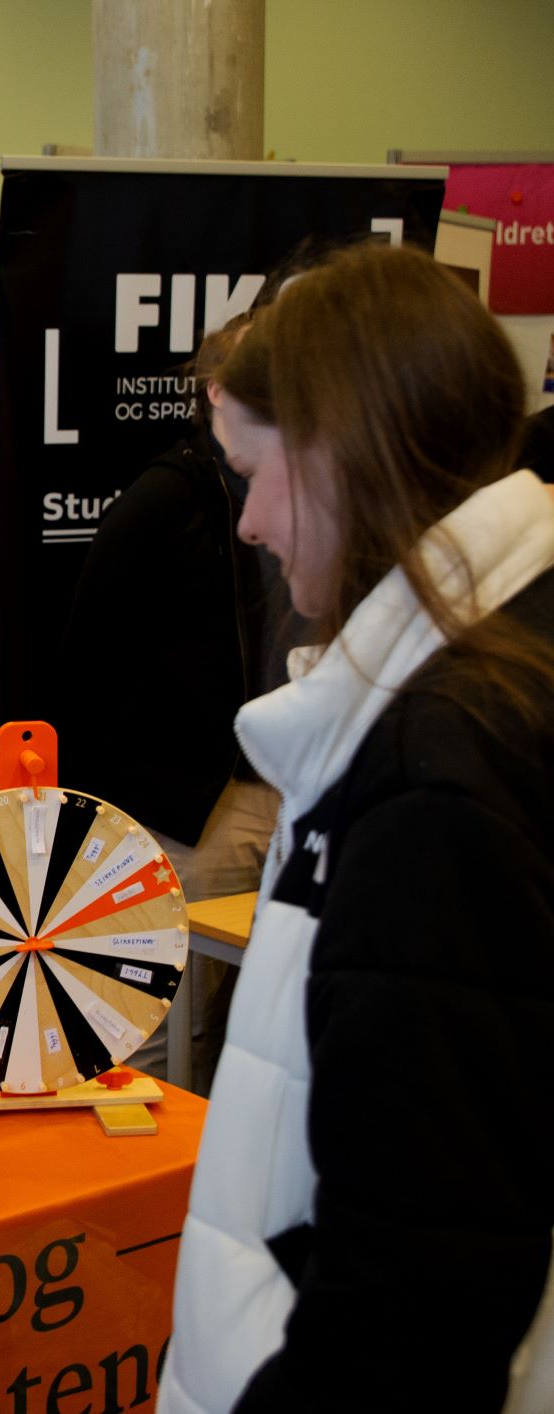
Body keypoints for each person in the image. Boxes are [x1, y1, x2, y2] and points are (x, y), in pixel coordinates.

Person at [162, 243, 554, 1414]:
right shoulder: (487, 671)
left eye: (255, 475)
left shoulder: (442, 770)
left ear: (338, 451)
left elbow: (418, 1289)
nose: (249, 526)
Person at [54, 317, 285, 1089]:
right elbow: (88, 660)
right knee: (160, 1033)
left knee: (247, 1034)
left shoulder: (307, 488)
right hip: (192, 810)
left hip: (283, 791)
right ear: (217, 392)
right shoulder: (167, 497)